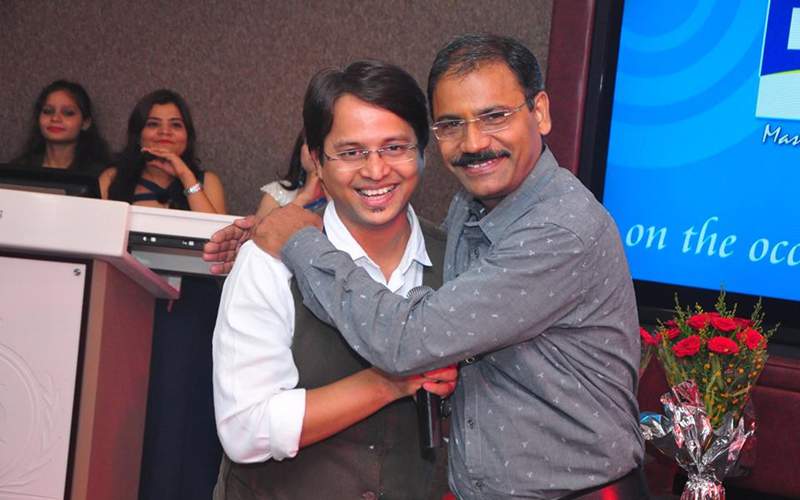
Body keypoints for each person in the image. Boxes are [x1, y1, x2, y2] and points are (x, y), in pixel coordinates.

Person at [205, 34, 646, 499]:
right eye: (452, 124)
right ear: (318, 160)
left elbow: (410, 342)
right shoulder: (468, 218)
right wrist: (274, 237)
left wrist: (296, 238)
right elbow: (244, 430)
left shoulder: (557, 230)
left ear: (539, 112)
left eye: (494, 116)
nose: (474, 142)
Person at [212, 60, 455, 500]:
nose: (376, 170)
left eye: (395, 147)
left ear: (423, 151)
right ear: (317, 161)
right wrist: (389, 382)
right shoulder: (270, 258)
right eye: (351, 152)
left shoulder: (458, 260)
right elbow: (245, 429)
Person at [100, 89, 226, 499]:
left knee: (185, 404)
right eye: (154, 124)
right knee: (133, 403)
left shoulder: (206, 181)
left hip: (193, 308)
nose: (165, 133)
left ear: (189, 134)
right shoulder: (112, 180)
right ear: (138, 132)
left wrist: (185, 176)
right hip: (130, 303)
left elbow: (218, 238)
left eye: (175, 125)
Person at [12, 79, 110, 172]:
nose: (55, 118)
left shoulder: (101, 175)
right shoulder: (19, 169)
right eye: (48, 111)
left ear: (85, 123)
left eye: (68, 113)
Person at [255, 130, 325, 219]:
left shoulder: (338, 198)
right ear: (300, 150)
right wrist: (304, 197)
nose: (314, 151)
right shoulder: (278, 192)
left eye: (321, 145)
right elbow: (262, 228)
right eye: (311, 143)